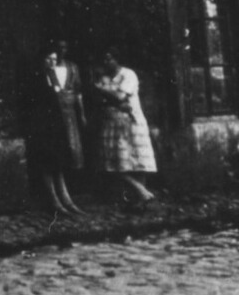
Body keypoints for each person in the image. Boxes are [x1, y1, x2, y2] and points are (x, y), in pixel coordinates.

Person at [25, 39, 86, 216]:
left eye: (54, 59)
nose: (52, 62)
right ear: (42, 60)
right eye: (48, 59)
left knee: (58, 161)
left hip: (55, 123)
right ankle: (54, 200)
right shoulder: (36, 77)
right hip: (41, 125)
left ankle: (66, 199)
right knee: (46, 162)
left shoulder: (53, 76)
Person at [90, 49, 159, 203]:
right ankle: (140, 191)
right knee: (113, 161)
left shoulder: (128, 75)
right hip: (111, 123)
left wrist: (102, 91)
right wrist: (113, 100)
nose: (106, 62)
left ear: (117, 60)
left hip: (131, 122)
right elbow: (101, 101)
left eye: (109, 59)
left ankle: (140, 201)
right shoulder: (103, 78)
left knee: (137, 160)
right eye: (104, 60)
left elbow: (120, 96)